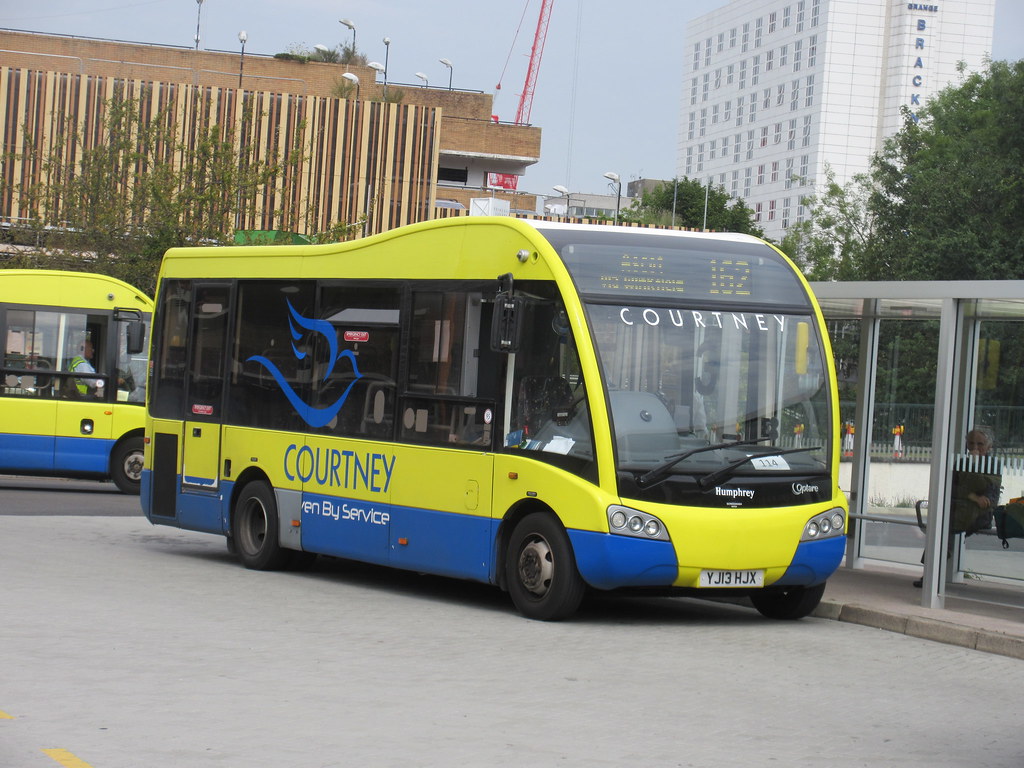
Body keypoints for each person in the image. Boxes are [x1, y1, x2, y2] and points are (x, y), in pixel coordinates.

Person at [915, 427, 1000, 587]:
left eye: (980, 444)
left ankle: (931, 576)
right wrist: (972, 496)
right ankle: (931, 573)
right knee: (942, 529)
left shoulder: (992, 465)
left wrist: (970, 491)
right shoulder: (961, 462)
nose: (975, 448)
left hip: (980, 515)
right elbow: (952, 488)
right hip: (960, 509)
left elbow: (989, 497)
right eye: (971, 444)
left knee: (947, 530)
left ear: (989, 447)